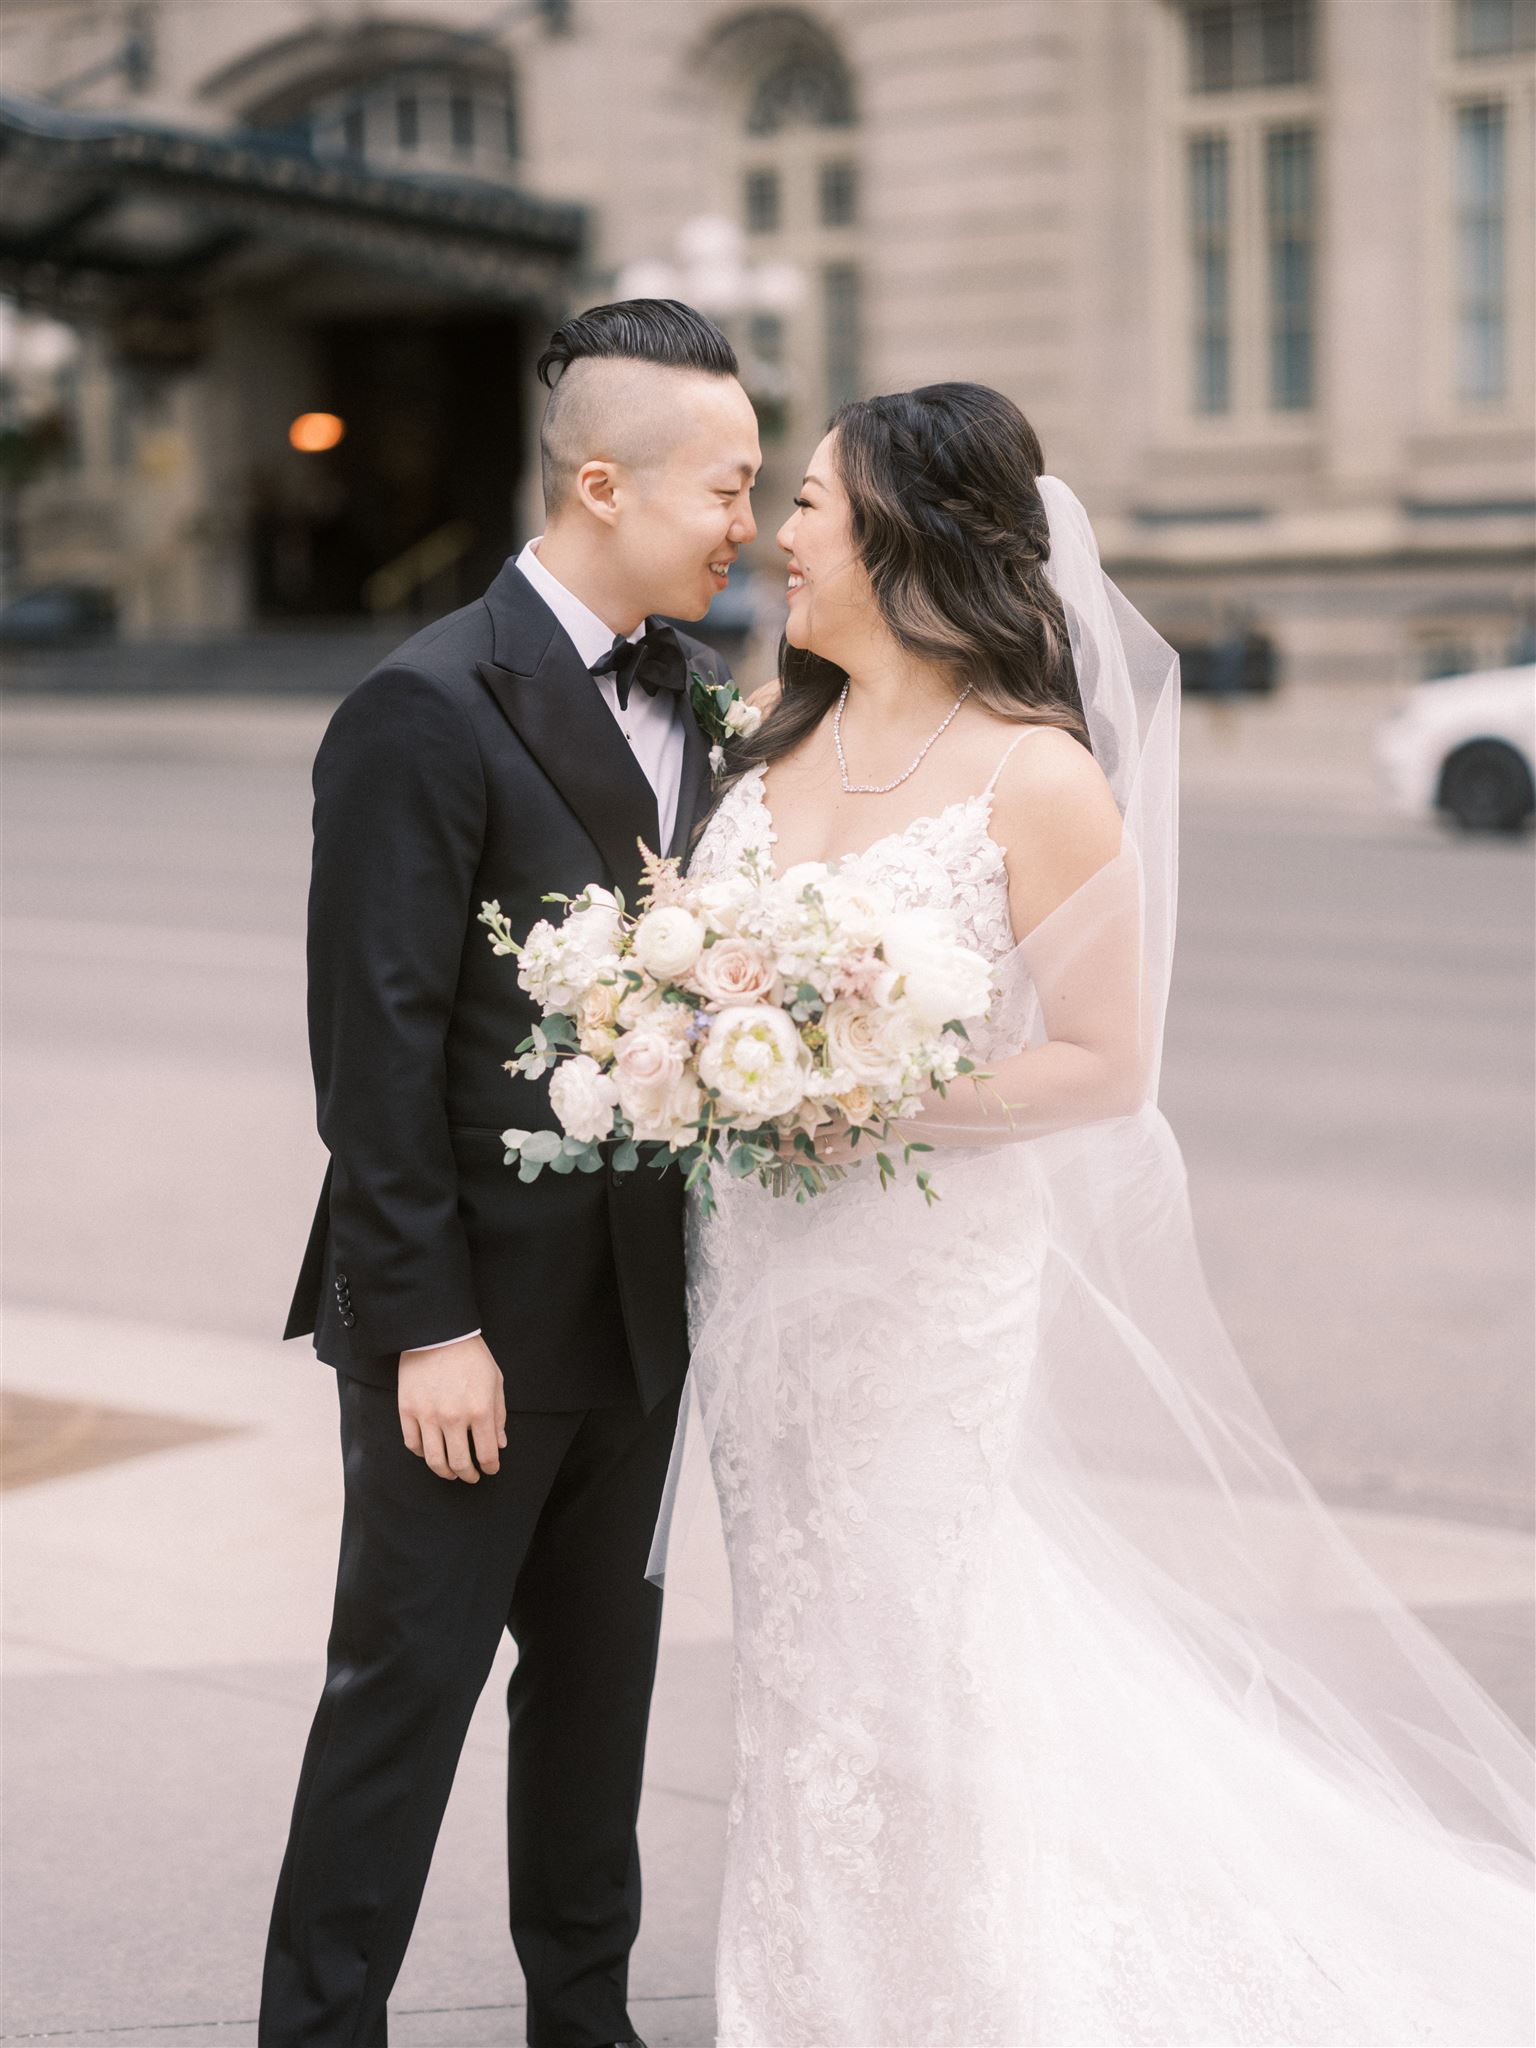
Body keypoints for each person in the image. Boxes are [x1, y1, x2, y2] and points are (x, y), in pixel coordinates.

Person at [660, 381, 1535, 2045]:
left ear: (904, 533)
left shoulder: (1037, 776)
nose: (779, 532)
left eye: (813, 505)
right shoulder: (775, 728)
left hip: (922, 1279)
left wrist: (864, 1101)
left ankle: (961, 1986)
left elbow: (1103, 1068)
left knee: (915, 1624)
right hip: (768, 1266)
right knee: (801, 1635)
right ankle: (814, 1977)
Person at [261, 299, 760, 2047]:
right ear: (606, 483)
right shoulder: (418, 707)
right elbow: (372, 1057)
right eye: (727, 487)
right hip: (465, 1331)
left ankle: (587, 2017)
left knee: (597, 1700)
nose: (747, 526)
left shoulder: (705, 703)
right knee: (400, 1701)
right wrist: (427, 1330)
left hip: (638, 1316)